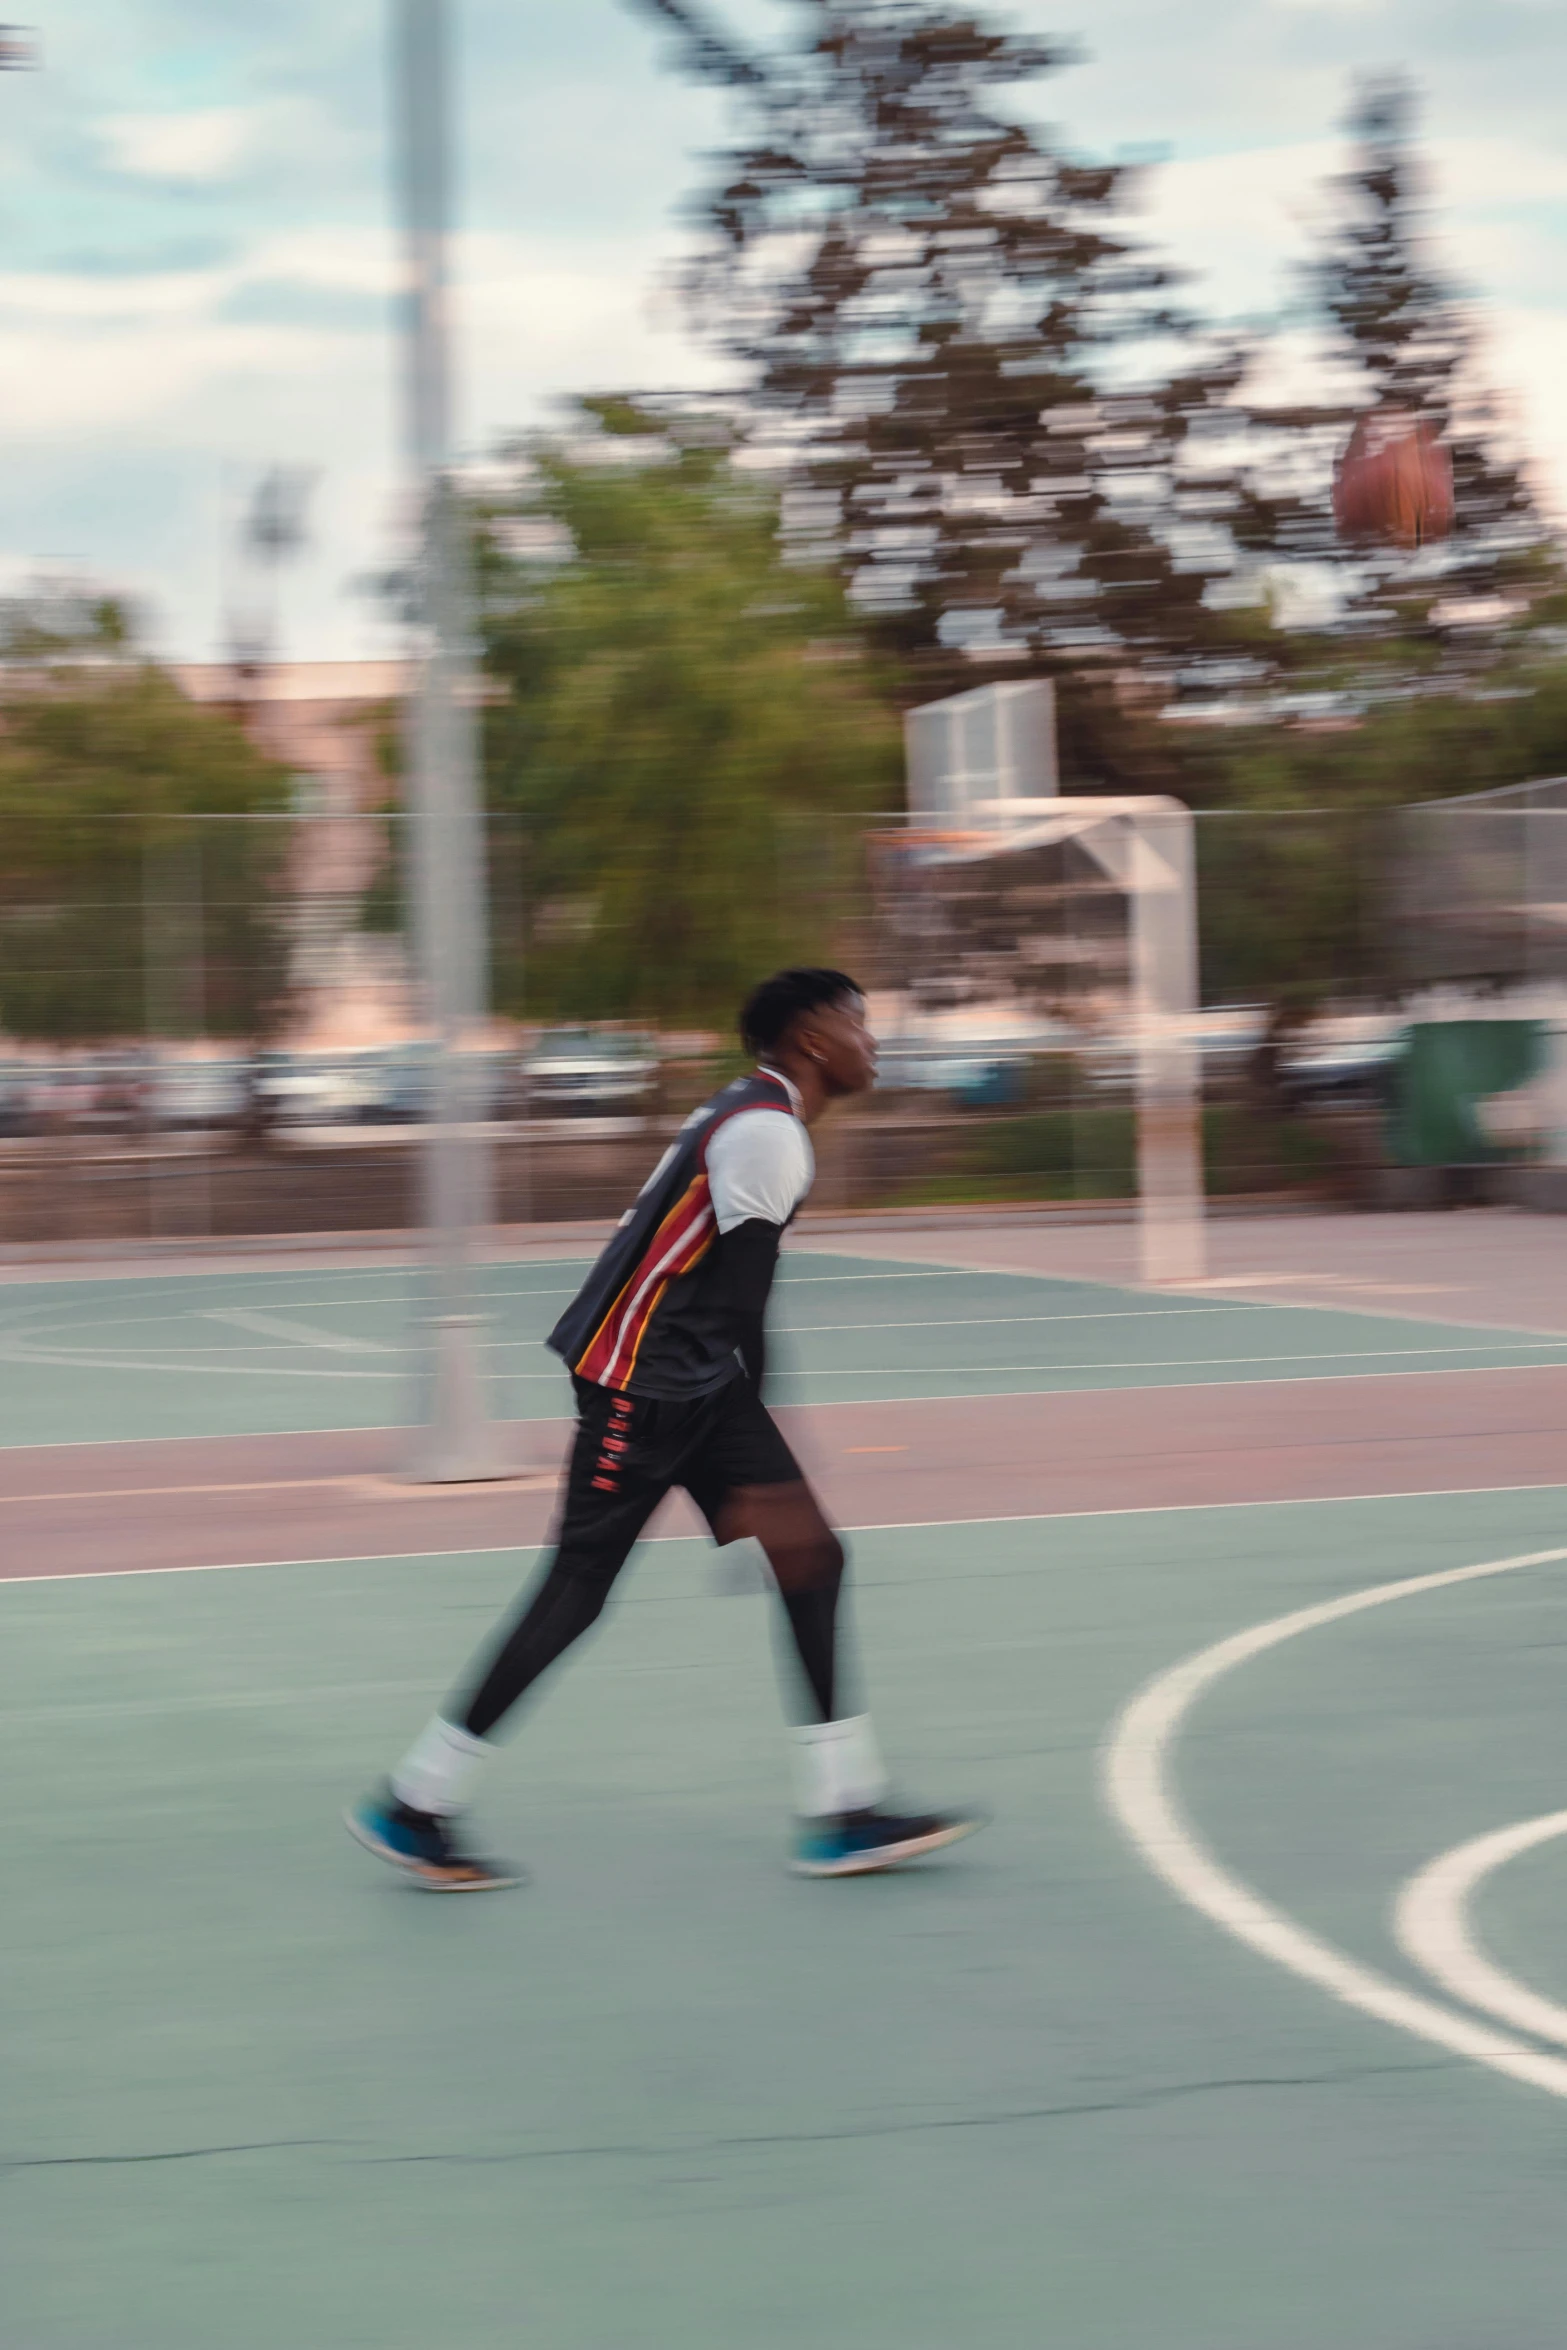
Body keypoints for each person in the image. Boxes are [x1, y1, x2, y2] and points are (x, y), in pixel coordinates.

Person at [348, 967, 984, 1889]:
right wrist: (759, 1457)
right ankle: (416, 1804)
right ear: (809, 1040)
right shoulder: (766, 1132)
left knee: (812, 1557)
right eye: (857, 1023)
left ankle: (846, 1811)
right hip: (643, 1388)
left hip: (690, 1380)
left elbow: (730, 1310)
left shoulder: (751, 1114)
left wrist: (758, 1450)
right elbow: (740, 1306)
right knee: (575, 1589)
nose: (870, 1042)